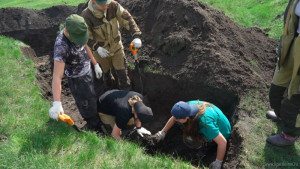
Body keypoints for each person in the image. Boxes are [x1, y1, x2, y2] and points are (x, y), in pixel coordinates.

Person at [49, 14, 104, 132]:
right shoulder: (61, 46)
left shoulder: (78, 32)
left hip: (88, 71)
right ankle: (93, 124)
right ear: (67, 32)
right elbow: (57, 76)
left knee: (92, 96)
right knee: (85, 102)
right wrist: (57, 103)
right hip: (77, 79)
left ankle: (96, 118)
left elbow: (85, 46)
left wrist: (95, 64)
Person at [82, 0, 142, 91]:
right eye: (102, 5)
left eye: (107, 3)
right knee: (105, 75)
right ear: (94, 2)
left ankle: (126, 94)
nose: (106, 6)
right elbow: (85, 36)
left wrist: (136, 34)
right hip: (101, 51)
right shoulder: (87, 15)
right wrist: (96, 47)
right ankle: (110, 89)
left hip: (116, 47)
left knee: (122, 75)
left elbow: (126, 18)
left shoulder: (113, 6)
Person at [153, 101, 231, 169]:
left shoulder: (205, 124)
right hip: (216, 121)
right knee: (186, 128)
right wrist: (163, 132)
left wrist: (218, 162)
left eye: (178, 119)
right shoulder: (187, 107)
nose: (175, 119)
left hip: (223, 133)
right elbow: (174, 118)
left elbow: (222, 142)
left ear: (187, 117)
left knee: (190, 140)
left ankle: (205, 146)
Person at [266, 0, 300, 146]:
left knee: (295, 95)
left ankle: (289, 135)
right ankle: (282, 116)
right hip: (293, 41)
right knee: (276, 90)